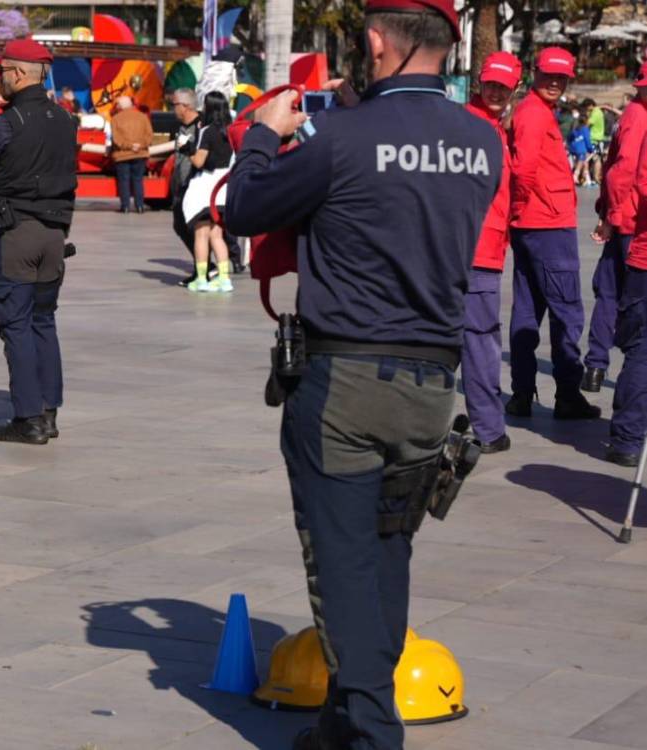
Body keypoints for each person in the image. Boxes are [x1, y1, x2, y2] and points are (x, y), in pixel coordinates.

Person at [220, 0, 502, 746]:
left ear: (376, 41)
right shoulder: (482, 141)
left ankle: (373, 734)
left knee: (340, 560)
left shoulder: (339, 138)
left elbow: (245, 209)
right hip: (431, 383)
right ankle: (345, 722)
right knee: (386, 551)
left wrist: (259, 136)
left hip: (344, 379)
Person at [0, 39, 78, 445]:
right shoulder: (66, 120)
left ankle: (28, 418)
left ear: (16, 73)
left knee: (16, 325)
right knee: (44, 321)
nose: (0, 80)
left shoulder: (7, 122)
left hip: (14, 233)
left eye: (2, 73)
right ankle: (49, 411)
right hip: (54, 234)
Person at [507, 47, 599, 420]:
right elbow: (523, 169)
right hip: (547, 223)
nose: (555, 82)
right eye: (549, 75)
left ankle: (522, 394)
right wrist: (519, 209)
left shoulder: (534, 111)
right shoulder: (533, 113)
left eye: (561, 77)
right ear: (535, 73)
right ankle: (566, 394)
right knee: (567, 312)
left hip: (535, 223)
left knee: (527, 311)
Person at [463, 51, 522, 456]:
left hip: (482, 246)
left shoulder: (493, 127)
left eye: (503, 84)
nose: (496, 90)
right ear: (478, 83)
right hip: (475, 249)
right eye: (490, 83)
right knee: (480, 341)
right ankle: (488, 428)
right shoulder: (475, 126)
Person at [585, 62, 647, 398]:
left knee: (609, 294)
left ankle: (596, 365)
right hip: (633, 223)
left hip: (625, 217)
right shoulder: (640, 117)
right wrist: (613, 215)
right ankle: (609, 364)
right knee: (623, 299)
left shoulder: (633, 114)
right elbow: (620, 173)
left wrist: (607, 212)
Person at [182, 91, 234, 293]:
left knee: (201, 234)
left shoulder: (207, 131)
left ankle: (202, 279)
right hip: (223, 187)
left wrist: (186, 149)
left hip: (205, 188)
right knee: (217, 235)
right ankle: (224, 279)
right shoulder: (230, 131)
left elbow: (199, 161)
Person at [168, 88, 206, 287]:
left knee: (194, 228)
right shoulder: (181, 127)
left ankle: (206, 268)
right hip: (180, 184)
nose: (172, 108)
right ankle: (203, 266)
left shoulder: (201, 127)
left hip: (195, 184)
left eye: (175, 104)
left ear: (186, 106)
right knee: (181, 225)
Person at [110, 95, 152, 214]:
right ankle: (139, 207)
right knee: (138, 180)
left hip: (122, 155)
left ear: (121, 106)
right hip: (140, 154)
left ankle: (126, 207)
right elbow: (149, 135)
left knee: (124, 181)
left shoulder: (115, 118)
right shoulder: (143, 117)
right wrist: (140, 145)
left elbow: (116, 139)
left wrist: (129, 146)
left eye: (118, 104)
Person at [569, 115, 594, 186]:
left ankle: (587, 179)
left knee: (584, 163)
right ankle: (575, 177)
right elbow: (587, 140)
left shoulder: (575, 129)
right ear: (586, 121)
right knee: (580, 163)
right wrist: (590, 149)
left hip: (574, 148)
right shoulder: (585, 129)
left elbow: (569, 137)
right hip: (582, 149)